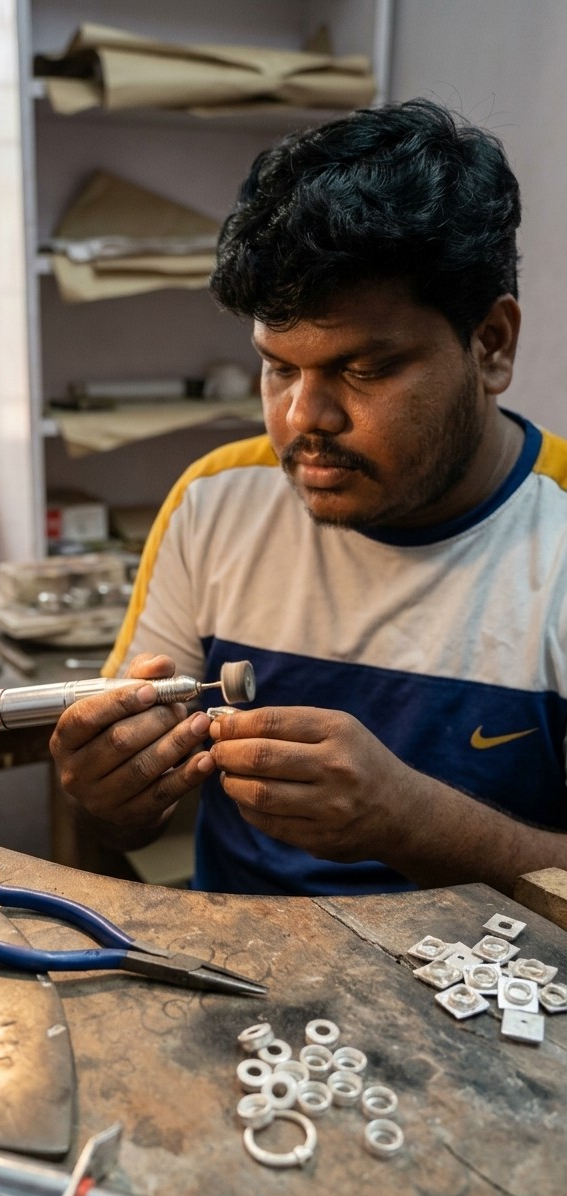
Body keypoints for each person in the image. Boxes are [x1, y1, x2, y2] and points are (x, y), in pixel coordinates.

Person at [50, 98, 567, 898]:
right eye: (279, 367)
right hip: (241, 995)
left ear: (492, 345)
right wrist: (111, 791)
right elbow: (122, 824)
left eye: (363, 370)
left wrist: (412, 823)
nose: (303, 419)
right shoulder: (216, 500)